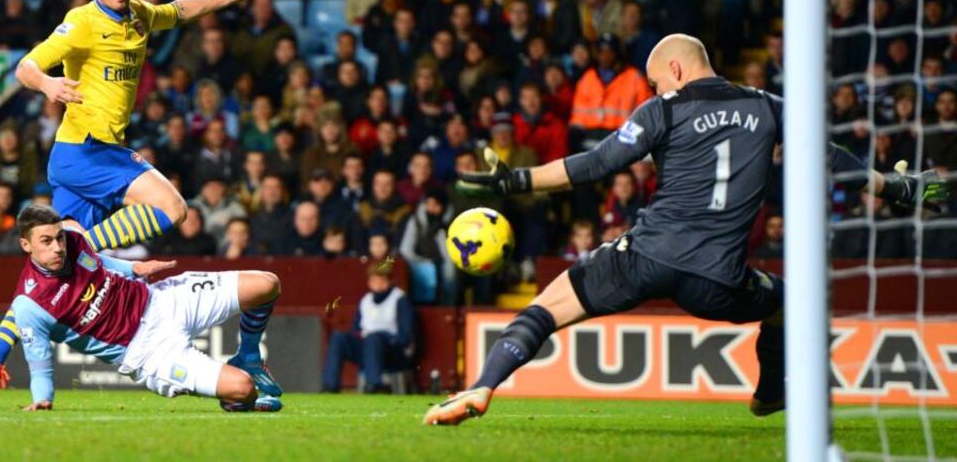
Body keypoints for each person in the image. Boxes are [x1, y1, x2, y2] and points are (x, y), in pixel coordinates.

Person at [424, 33, 949, 425]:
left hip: (643, 259)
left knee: (544, 309)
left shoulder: (663, 110)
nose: (654, 88)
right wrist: (896, 189)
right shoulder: (768, 106)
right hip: (718, 281)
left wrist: (513, 180)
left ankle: (480, 388)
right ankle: (770, 392)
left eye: (655, 81)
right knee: (787, 305)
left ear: (674, 69)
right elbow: (828, 155)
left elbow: (596, 164)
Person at [14, 0, 275, 253]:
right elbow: (25, 67)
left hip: (80, 156)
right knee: (173, 208)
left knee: (61, 264)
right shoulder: (80, 22)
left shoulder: (139, 13)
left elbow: (179, 10)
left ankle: (50, 279)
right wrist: (46, 83)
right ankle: (86, 245)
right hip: (86, 150)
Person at [0, 204, 282, 412]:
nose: (58, 247)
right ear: (26, 245)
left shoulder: (73, 238)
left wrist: (134, 269)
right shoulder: (29, 304)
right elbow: (40, 365)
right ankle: (235, 399)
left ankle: (249, 356)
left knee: (267, 284)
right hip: (148, 352)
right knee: (243, 388)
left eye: (59, 238)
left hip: (162, 300)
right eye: (46, 241)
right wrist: (42, 400)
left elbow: (96, 260)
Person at [322, 258, 415, 393]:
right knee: (339, 338)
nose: (378, 285)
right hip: (367, 348)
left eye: (381, 280)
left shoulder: (400, 299)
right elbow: (356, 329)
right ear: (369, 282)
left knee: (373, 339)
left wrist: (383, 338)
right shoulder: (366, 301)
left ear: (389, 281)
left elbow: (406, 336)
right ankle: (330, 386)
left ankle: (375, 384)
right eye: (374, 281)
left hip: (392, 351)